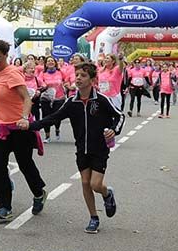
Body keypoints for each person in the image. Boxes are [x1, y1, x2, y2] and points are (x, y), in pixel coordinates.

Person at [26, 62, 124, 234]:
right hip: (81, 149)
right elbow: (54, 117)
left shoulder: (101, 100)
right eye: (77, 75)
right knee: (85, 182)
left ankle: (107, 194)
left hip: (100, 149)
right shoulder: (72, 102)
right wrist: (30, 125)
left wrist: (114, 130)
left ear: (93, 80)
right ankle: (93, 217)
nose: (78, 78)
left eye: (83, 75)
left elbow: (119, 116)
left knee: (95, 184)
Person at [0, 40, 48, 221]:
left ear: (6, 56)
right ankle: (4, 206)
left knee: (25, 164)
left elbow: (26, 99)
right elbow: (0, 98)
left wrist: (24, 118)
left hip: (18, 128)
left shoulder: (12, 74)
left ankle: (39, 192)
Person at [38, 57, 67, 142]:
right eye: (48, 61)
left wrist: (66, 85)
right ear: (46, 64)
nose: (50, 62)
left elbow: (66, 80)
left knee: (57, 115)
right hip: (46, 98)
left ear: (55, 63)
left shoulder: (60, 72)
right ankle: (47, 136)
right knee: (46, 116)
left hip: (59, 97)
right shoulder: (42, 73)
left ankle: (57, 129)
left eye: (52, 61)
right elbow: (39, 81)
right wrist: (43, 85)